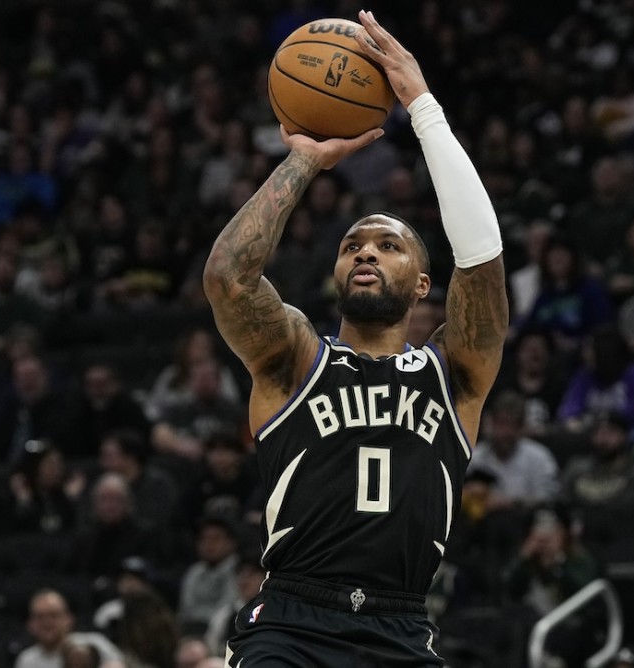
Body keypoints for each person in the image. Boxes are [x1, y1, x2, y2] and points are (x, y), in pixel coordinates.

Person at [203, 12, 507, 666]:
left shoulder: (454, 374)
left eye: (388, 245)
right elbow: (228, 279)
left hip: (400, 629)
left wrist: (423, 109)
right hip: (290, 622)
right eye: (352, 246)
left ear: (424, 283)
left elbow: (482, 261)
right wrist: (303, 161)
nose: (365, 252)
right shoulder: (295, 357)